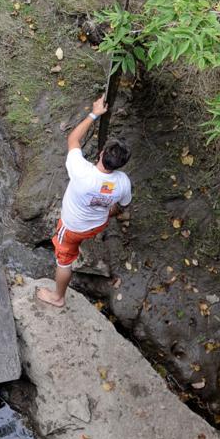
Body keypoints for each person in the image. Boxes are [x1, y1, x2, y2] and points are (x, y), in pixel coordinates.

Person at [36, 95, 132, 308]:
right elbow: (122, 206)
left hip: (72, 227)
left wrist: (94, 113)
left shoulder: (81, 171)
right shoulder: (123, 182)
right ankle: (81, 246)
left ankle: (58, 297)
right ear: (120, 165)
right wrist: (110, 210)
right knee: (101, 215)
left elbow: (73, 139)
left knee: (64, 260)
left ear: (100, 154)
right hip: (97, 224)